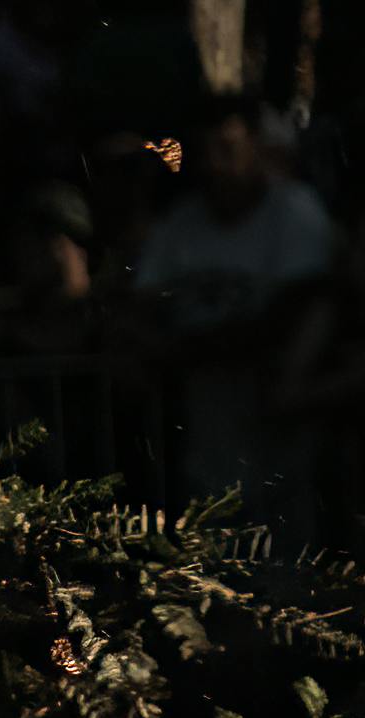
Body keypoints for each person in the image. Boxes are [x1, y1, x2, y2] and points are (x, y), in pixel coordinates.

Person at [140, 100, 335, 540]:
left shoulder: (295, 212)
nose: (214, 165)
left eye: (227, 149)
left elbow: (296, 310)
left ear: (256, 149)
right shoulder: (181, 223)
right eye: (205, 151)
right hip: (204, 437)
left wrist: (187, 348)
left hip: (276, 431)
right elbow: (143, 303)